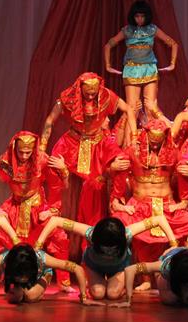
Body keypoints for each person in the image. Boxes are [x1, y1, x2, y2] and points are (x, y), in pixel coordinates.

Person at [110, 119, 188, 291]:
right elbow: (118, 169)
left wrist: (186, 195)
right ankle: (142, 279)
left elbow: (187, 170)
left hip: (167, 206)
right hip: (139, 205)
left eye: (159, 141)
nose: (155, 145)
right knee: (118, 229)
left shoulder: (173, 151)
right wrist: (117, 198)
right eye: (152, 140)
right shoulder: (133, 150)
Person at [0, 131, 73, 291]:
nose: (24, 156)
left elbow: (60, 186)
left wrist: (63, 171)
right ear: (15, 148)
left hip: (38, 207)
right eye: (21, 152)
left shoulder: (41, 159)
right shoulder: (7, 161)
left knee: (60, 238)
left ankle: (64, 282)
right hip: (14, 208)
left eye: (28, 152)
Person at [39, 72, 136, 224]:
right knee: (52, 164)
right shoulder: (67, 98)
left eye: (93, 94)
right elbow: (50, 120)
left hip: (99, 141)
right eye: (87, 94)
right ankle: (54, 207)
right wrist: (42, 146)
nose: (90, 97)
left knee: (123, 160)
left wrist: (134, 138)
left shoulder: (106, 96)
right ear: (80, 89)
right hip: (73, 141)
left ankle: (116, 200)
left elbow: (129, 109)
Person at [35, 215, 177, 301]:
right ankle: (99, 283)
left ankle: (117, 286)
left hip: (119, 267)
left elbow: (159, 219)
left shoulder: (126, 234)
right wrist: (38, 245)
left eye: (113, 248)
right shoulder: (91, 233)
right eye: (105, 248)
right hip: (94, 266)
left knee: (113, 294)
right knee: (98, 294)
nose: (109, 252)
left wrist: (173, 244)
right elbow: (55, 221)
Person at [104, 0, 179, 126]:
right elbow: (108, 46)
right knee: (133, 109)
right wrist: (108, 66)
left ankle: (150, 136)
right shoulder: (127, 30)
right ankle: (132, 137)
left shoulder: (152, 29)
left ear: (147, 16)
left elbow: (173, 44)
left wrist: (172, 64)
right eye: (137, 16)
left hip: (149, 69)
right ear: (133, 16)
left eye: (142, 16)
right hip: (132, 70)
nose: (139, 19)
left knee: (151, 107)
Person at [0, 244, 103, 306]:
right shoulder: (4, 259)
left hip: (41, 276)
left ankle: (40, 285)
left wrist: (84, 297)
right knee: (16, 298)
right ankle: (18, 289)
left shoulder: (42, 259)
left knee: (30, 296)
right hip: (13, 279)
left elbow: (77, 268)